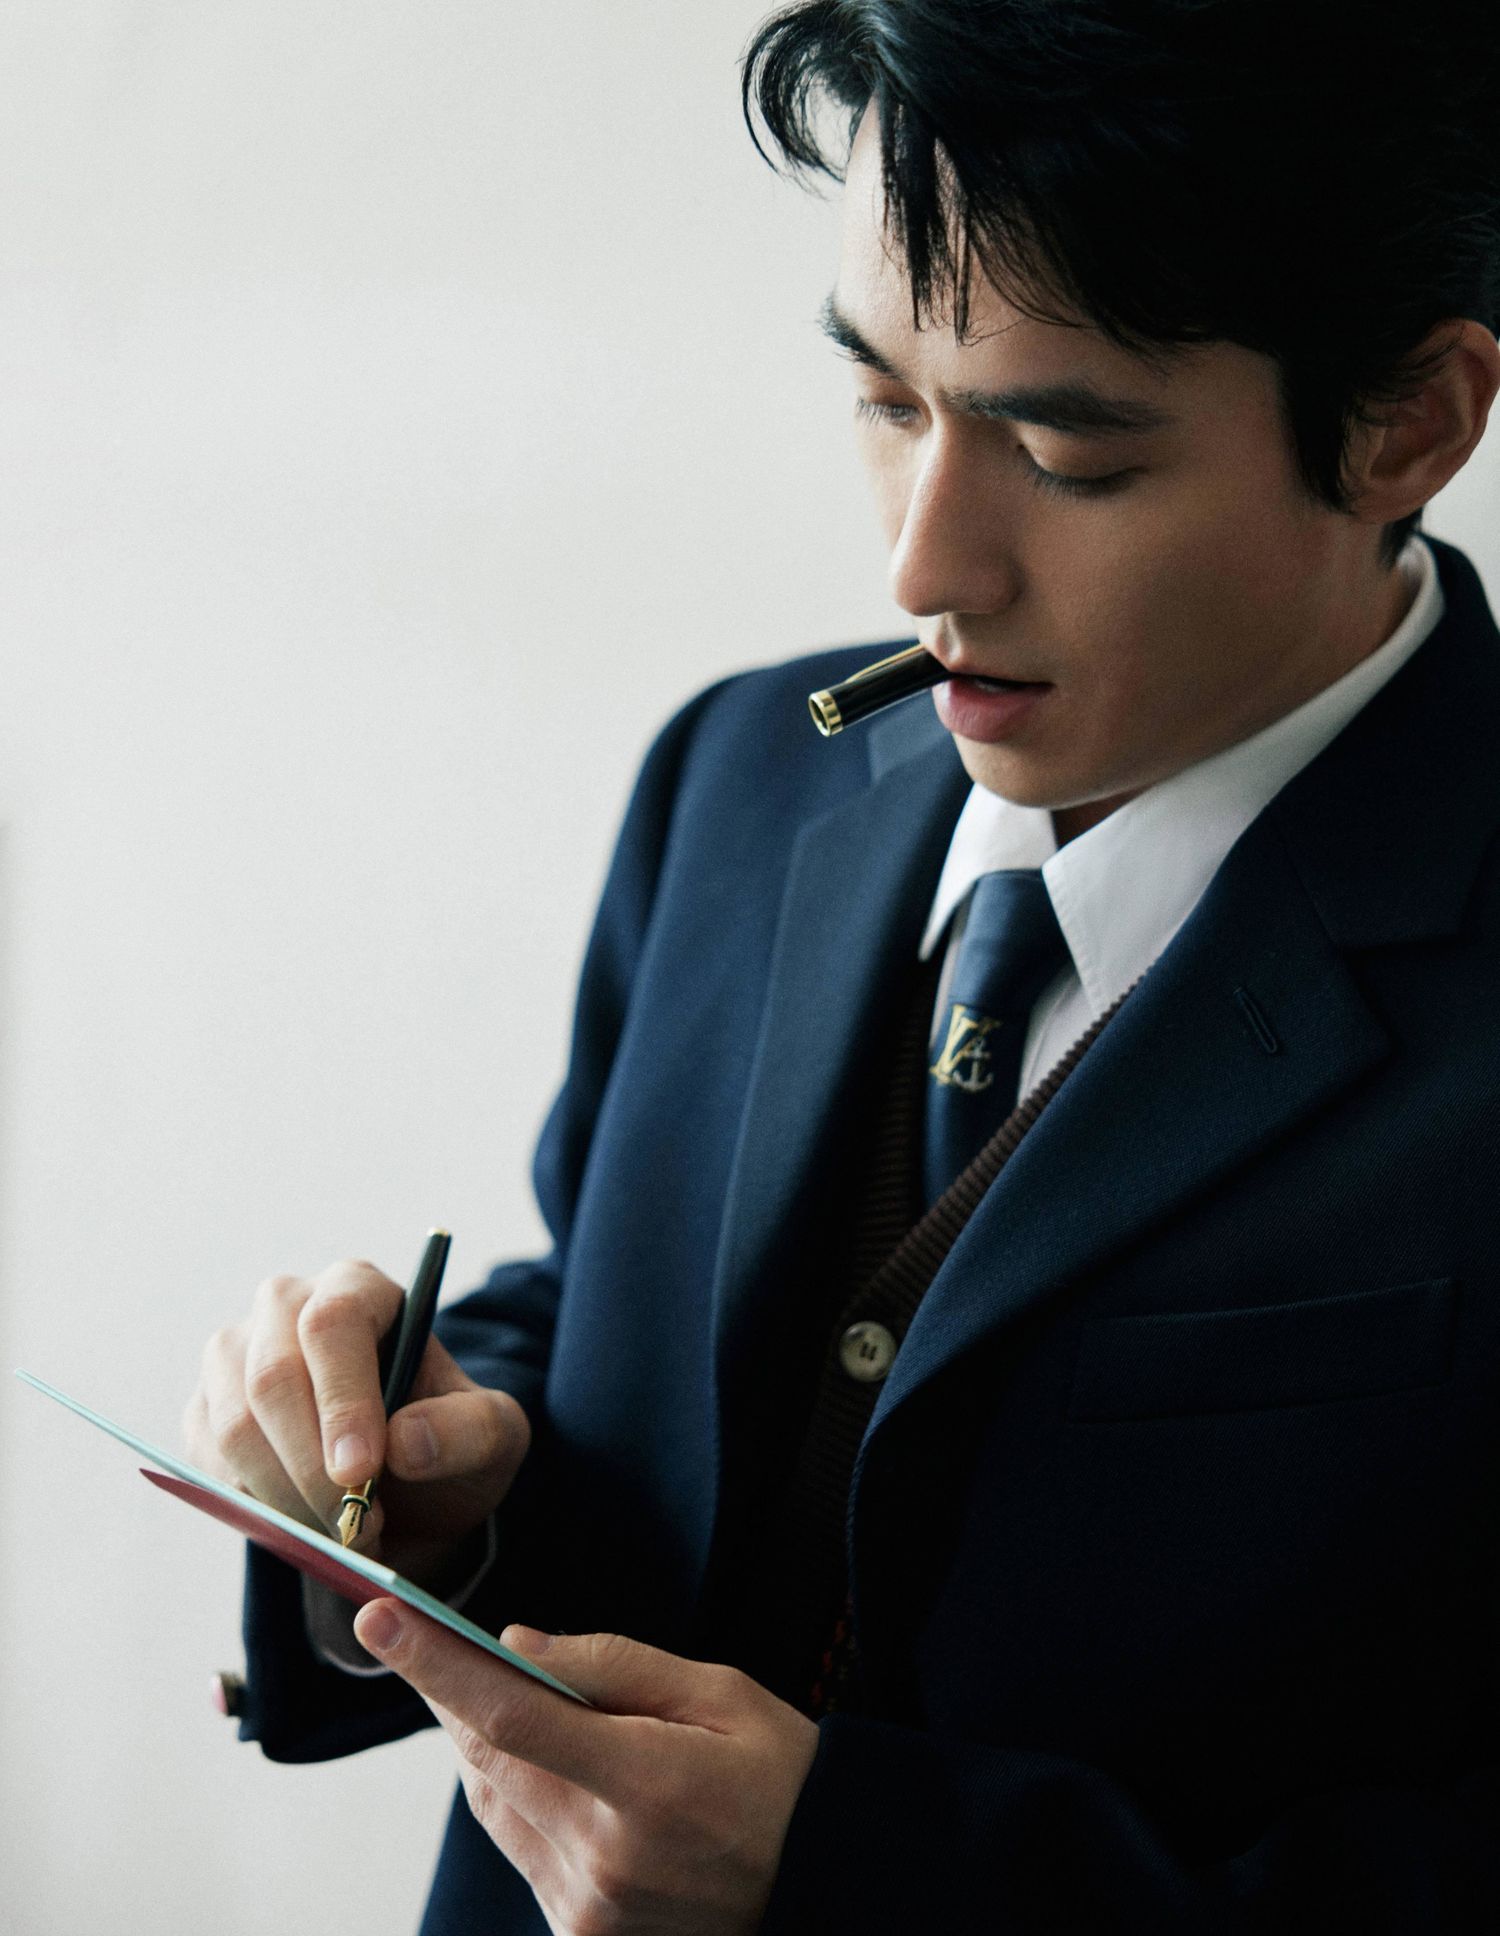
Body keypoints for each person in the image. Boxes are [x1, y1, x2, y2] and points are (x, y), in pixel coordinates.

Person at [184, 3, 1500, 1929]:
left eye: (1064, 449)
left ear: (1408, 423)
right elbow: (628, 1336)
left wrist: (867, 1880)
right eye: (887, 402)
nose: (921, 570)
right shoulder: (735, 776)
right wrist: (422, 1484)